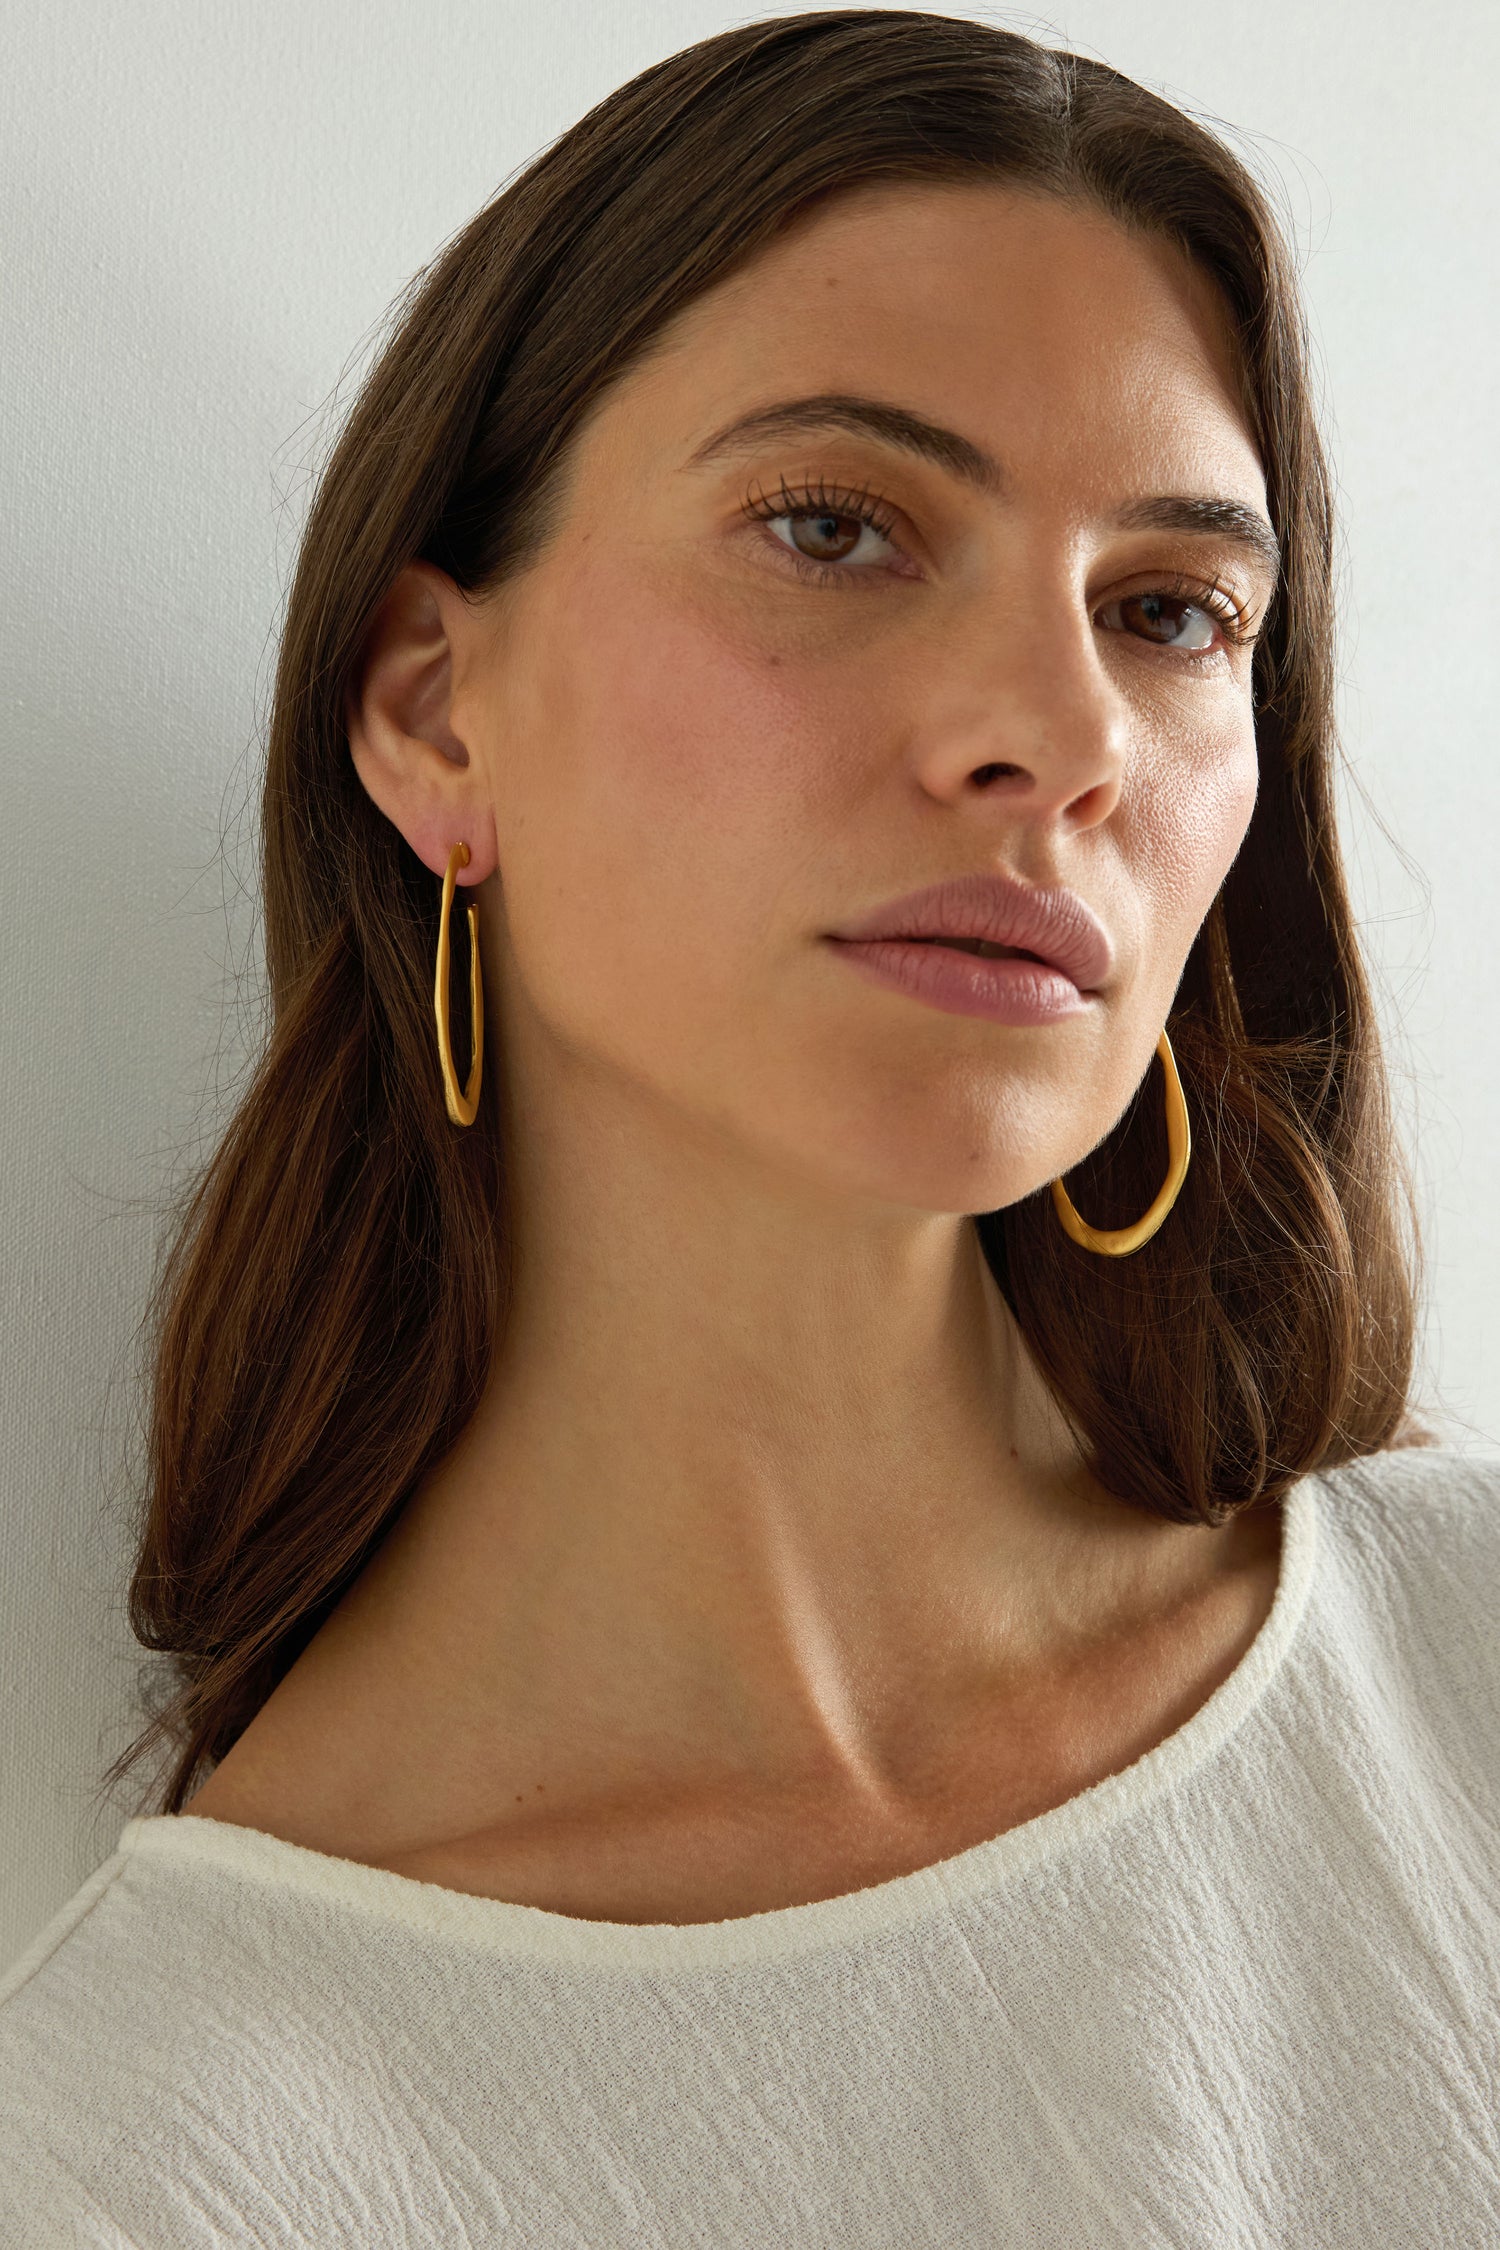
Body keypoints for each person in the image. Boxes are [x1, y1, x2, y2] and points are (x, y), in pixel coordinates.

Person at [2, 9, 1495, 2242]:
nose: (1062, 732)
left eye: (1174, 611)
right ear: (434, 710)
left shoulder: (1466, 1671)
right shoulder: (149, 2157)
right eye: (835, 526)